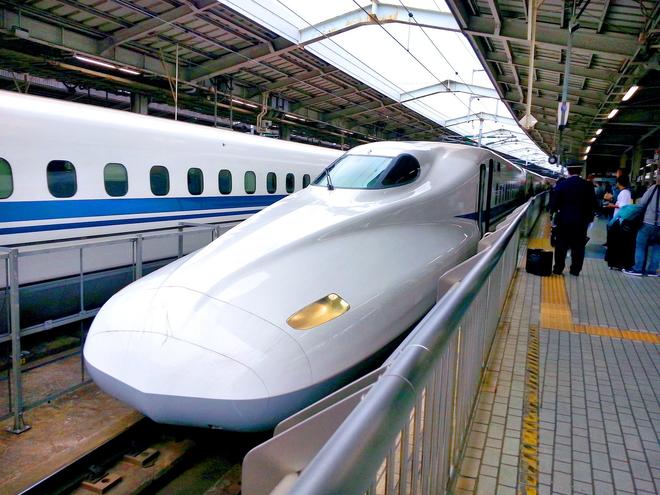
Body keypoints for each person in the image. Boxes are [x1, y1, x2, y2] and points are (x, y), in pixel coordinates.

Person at [550, 165, 597, 276]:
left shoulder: (562, 184)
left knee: (561, 245)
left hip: (564, 220)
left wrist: (553, 215)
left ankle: (558, 269)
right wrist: (589, 219)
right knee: (579, 246)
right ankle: (575, 270)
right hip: (581, 222)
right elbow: (593, 204)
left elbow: (554, 204)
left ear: (568, 171)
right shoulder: (588, 185)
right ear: (580, 171)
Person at [623, 181, 659, 277]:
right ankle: (652, 271)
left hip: (648, 222)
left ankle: (638, 268)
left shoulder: (654, 188)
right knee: (658, 246)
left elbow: (642, 202)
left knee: (640, 245)